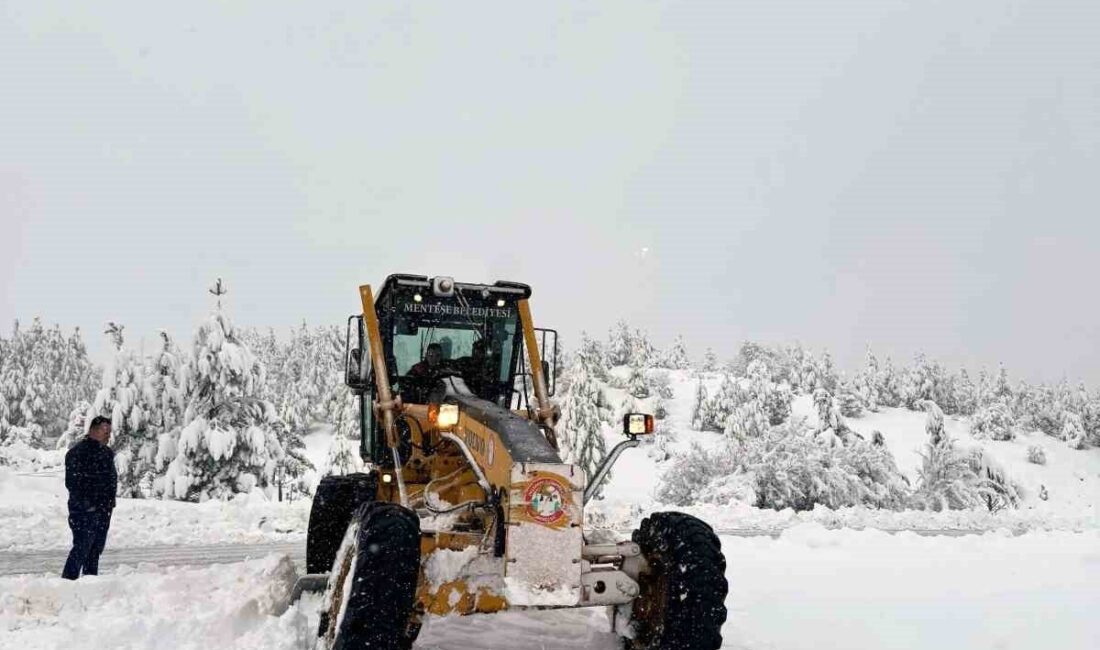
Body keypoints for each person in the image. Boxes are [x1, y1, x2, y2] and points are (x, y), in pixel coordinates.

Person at [62, 415, 117, 580]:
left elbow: (110, 480)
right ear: (93, 430)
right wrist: (88, 505)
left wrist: (108, 503)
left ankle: (90, 583)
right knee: (82, 547)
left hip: (103, 510)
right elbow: (73, 483)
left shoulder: (107, 453)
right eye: (105, 431)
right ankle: (68, 582)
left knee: (95, 549)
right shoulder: (77, 452)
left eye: (109, 432)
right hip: (83, 511)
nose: (108, 435)